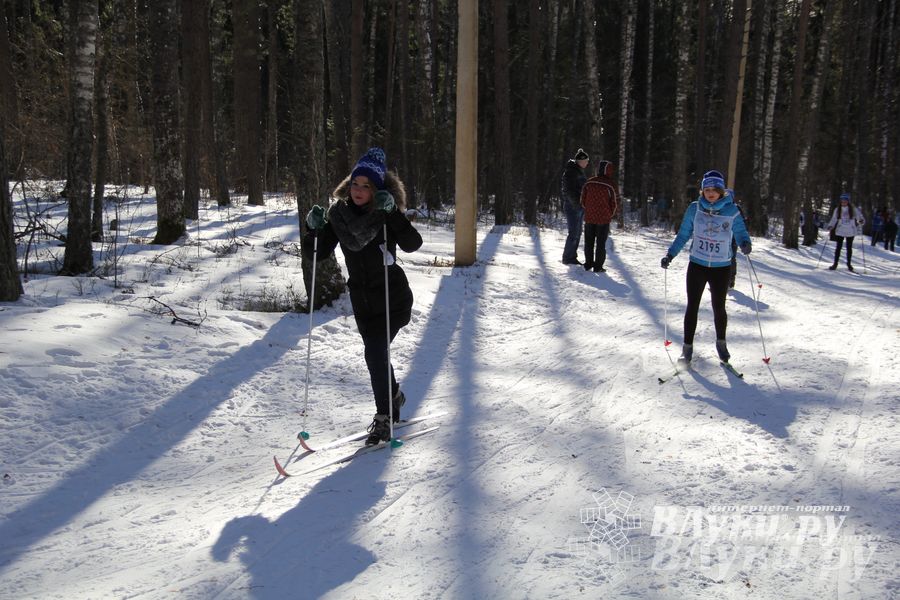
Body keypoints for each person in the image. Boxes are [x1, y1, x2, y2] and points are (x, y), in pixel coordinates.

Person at [303, 147, 423, 445]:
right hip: (363, 301)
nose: (358, 190)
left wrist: (393, 213)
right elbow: (316, 254)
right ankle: (394, 395)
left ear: (377, 189)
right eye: (355, 184)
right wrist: (312, 230)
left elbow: (413, 243)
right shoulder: (339, 216)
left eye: (366, 185)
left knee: (375, 352)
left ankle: (384, 418)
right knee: (376, 354)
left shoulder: (385, 214)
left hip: (391, 298)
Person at [660, 170, 752, 365]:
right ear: (702, 191)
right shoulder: (695, 209)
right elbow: (684, 234)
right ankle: (687, 349)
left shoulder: (732, 211)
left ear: (721, 191)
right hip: (697, 265)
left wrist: (745, 243)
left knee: (719, 307)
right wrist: (670, 254)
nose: (710, 193)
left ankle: (721, 343)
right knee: (692, 306)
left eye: (714, 189)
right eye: (706, 189)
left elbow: (741, 232)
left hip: (721, 267)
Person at [580, 160, 619, 272]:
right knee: (601, 244)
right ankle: (598, 267)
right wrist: (609, 215)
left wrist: (588, 210)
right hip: (603, 220)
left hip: (589, 218)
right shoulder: (610, 185)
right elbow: (615, 203)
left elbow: (582, 200)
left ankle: (588, 264)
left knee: (589, 242)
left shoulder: (589, 182)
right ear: (609, 171)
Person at [560, 148, 589, 265]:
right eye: (586, 160)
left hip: (579, 206)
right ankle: (568, 257)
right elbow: (568, 191)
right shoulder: (571, 172)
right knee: (574, 232)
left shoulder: (578, 171)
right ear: (580, 161)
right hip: (573, 207)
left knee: (577, 232)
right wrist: (577, 204)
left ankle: (572, 256)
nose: (587, 163)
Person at [825, 193, 864, 271]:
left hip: (850, 231)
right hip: (840, 230)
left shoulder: (853, 209)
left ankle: (849, 264)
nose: (843, 202)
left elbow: (859, 217)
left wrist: (861, 221)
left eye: (845, 200)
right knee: (838, 248)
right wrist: (831, 226)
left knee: (849, 248)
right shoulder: (837, 209)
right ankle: (835, 264)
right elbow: (834, 219)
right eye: (842, 200)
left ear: (848, 201)